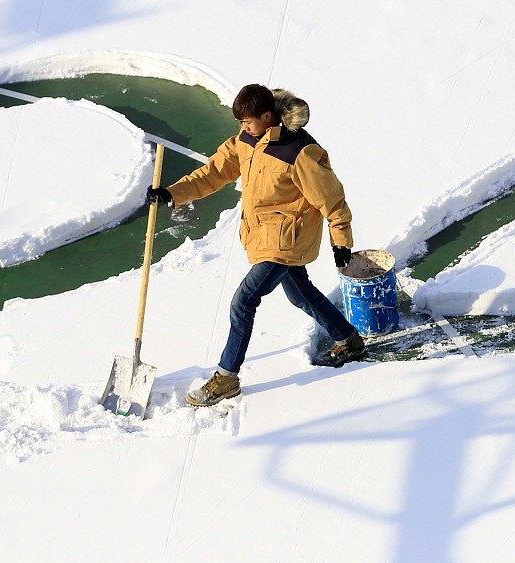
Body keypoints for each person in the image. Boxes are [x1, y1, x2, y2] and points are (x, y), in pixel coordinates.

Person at [147, 84, 365, 407]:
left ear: (267, 116)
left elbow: (332, 199)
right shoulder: (246, 140)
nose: (242, 129)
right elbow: (214, 172)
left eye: (247, 122)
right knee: (299, 292)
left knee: (244, 300)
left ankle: (227, 377)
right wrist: (173, 194)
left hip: (287, 239)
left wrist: (341, 241)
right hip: (263, 234)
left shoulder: (299, 151)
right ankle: (348, 340)